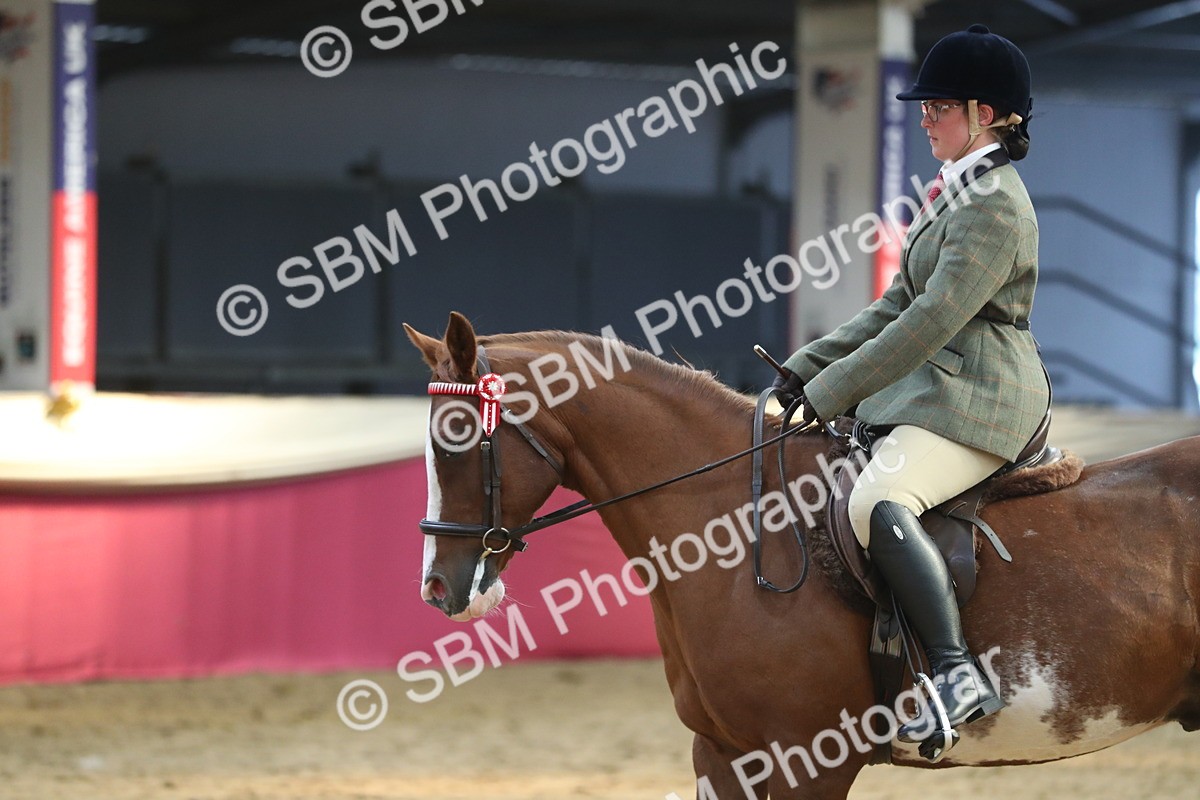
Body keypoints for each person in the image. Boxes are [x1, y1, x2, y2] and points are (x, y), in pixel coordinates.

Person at [771, 24, 1050, 758]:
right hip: (937, 386)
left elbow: (931, 322)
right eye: (923, 108)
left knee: (876, 502)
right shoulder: (954, 190)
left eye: (938, 107)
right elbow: (895, 303)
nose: (924, 118)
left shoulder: (994, 204)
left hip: (982, 391)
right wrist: (806, 365)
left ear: (985, 114)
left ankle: (956, 675)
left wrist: (832, 391)